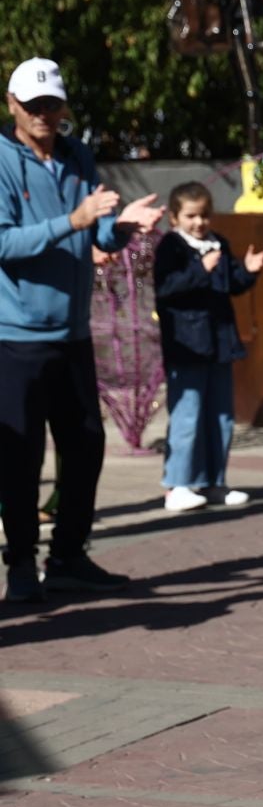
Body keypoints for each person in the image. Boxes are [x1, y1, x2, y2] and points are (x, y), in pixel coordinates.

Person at [1, 57, 164, 604]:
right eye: (33, 104)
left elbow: (94, 238)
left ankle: (68, 555)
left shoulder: (76, 156)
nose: (44, 114)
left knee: (86, 445)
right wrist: (73, 221)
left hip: (72, 331)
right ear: (12, 105)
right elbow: (5, 244)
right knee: (21, 458)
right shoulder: (2, 161)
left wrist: (121, 229)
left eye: (52, 104)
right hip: (16, 336)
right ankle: (21, 564)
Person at [152, 183, 263, 512]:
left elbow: (232, 285)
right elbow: (166, 288)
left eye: (204, 215)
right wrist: (200, 270)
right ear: (174, 217)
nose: (199, 223)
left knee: (220, 416)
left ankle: (214, 482)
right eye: (190, 216)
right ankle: (177, 484)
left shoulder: (219, 243)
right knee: (188, 415)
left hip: (219, 343)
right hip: (187, 345)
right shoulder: (171, 247)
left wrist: (248, 271)